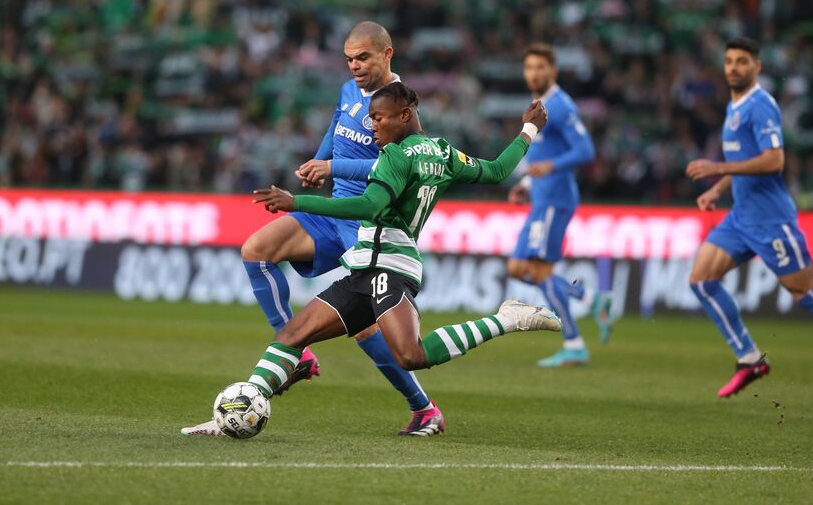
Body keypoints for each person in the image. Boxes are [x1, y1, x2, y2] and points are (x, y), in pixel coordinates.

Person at [181, 81, 563, 436]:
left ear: (405, 114)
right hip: (364, 268)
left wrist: (296, 201)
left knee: (411, 354)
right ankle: (231, 414)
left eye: (379, 118)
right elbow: (497, 171)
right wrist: (528, 130)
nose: (373, 126)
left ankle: (506, 318)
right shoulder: (444, 152)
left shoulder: (395, 156)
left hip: (389, 269)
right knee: (292, 336)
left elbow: (369, 204)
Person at [187, 22, 444, 437]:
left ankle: (424, 409)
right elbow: (336, 125)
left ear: (387, 54)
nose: (355, 66)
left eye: (363, 57)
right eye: (349, 58)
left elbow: (393, 164)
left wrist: (334, 166)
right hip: (329, 211)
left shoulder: (399, 108)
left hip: (364, 221)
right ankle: (298, 354)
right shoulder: (348, 91)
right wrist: (318, 160)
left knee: (364, 329)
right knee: (257, 249)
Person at [686, 37, 813, 398]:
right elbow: (747, 159)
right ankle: (749, 358)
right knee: (701, 279)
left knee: (804, 290)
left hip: (771, 219)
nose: (734, 67)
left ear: (757, 66)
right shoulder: (734, 105)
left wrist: (717, 166)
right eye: (729, 61)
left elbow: (774, 160)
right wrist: (719, 188)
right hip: (741, 217)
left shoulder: (761, 105)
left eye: (742, 61)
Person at [506, 43, 613, 367]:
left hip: (556, 199)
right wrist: (526, 184)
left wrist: (550, 168)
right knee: (518, 269)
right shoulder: (539, 105)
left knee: (538, 270)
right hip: (541, 197)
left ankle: (574, 342)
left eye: (540, 67)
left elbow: (585, 150)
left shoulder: (562, 106)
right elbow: (538, 155)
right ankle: (591, 299)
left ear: (553, 71)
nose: (534, 73)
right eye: (529, 67)